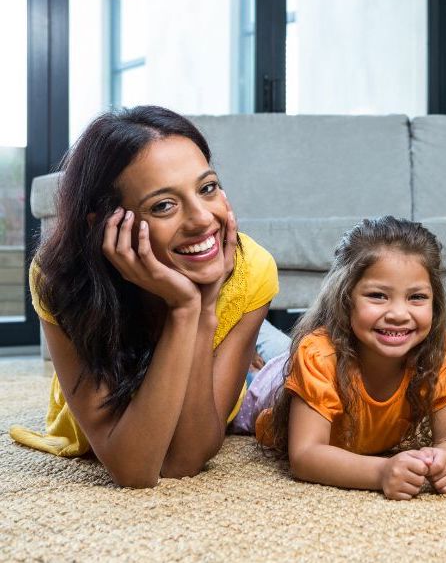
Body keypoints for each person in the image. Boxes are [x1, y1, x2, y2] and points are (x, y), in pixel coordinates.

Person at [9, 106, 279, 488]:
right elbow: (135, 469)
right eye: (163, 205)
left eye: (207, 188)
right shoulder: (60, 279)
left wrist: (202, 312)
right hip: (141, 329)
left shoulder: (252, 268)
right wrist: (185, 308)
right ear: (106, 223)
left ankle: (258, 358)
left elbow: (186, 458)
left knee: (301, 366)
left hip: (225, 319)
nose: (203, 219)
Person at [252, 216, 446, 500]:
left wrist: (442, 459)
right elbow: (305, 455)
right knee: (258, 360)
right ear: (345, 300)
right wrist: (381, 472)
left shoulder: (440, 350)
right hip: (268, 386)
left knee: (277, 346)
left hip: (304, 359)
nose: (398, 314)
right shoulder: (318, 355)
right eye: (378, 296)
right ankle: (254, 331)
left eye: (416, 297)